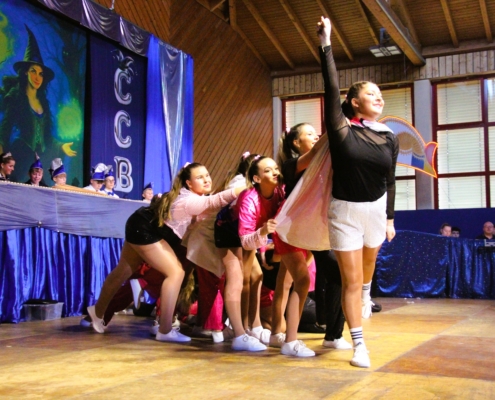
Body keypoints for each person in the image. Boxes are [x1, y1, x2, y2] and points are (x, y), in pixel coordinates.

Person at [86, 162, 246, 344]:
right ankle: (165, 329)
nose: (206, 180)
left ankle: (97, 312)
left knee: (123, 271)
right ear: (189, 183)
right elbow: (214, 201)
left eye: (207, 175)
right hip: (145, 229)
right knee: (175, 273)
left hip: (139, 223)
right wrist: (244, 188)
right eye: (199, 177)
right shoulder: (189, 201)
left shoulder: (191, 197)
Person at [317, 17, 398, 368]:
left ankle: (367, 292)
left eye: (379, 94)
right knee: (350, 281)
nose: (378, 97)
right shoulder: (341, 129)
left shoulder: (388, 136)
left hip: (376, 210)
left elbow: (391, 180)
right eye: (369, 93)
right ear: (353, 102)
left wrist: (390, 219)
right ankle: (359, 346)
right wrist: (326, 43)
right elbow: (331, 86)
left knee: (366, 273)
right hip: (345, 212)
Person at [182, 153, 267, 351]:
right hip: (210, 240)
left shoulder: (250, 187)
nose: (274, 174)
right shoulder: (240, 185)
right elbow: (233, 214)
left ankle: (242, 327)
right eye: (267, 169)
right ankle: (222, 328)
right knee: (217, 283)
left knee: (248, 277)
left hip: (226, 238)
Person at [278, 123, 352, 351]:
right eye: (309, 134)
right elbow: (314, 153)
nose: (315, 136)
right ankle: (287, 336)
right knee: (299, 281)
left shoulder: (323, 165)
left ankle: (331, 332)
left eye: (316, 133)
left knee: (333, 276)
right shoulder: (291, 165)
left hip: (319, 229)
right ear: (296, 143)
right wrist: (336, 124)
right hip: (296, 231)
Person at [237, 155, 315, 357]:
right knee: (243, 280)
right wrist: (263, 236)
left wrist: (264, 246)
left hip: (263, 234)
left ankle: (274, 333)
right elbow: (246, 239)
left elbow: (273, 222)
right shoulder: (249, 198)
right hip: (231, 234)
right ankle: (240, 332)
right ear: (256, 178)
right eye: (268, 170)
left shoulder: (280, 190)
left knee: (274, 280)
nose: (275, 173)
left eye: (275, 169)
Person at [0, 26, 76, 182]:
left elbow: (46, 136)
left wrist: (61, 146)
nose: (37, 77)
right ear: (26, 72)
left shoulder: (43, 103)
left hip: (40, 160)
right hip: (21, 155)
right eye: (33, 71)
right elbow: (6, 129)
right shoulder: (17, 97)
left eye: (40, 74)